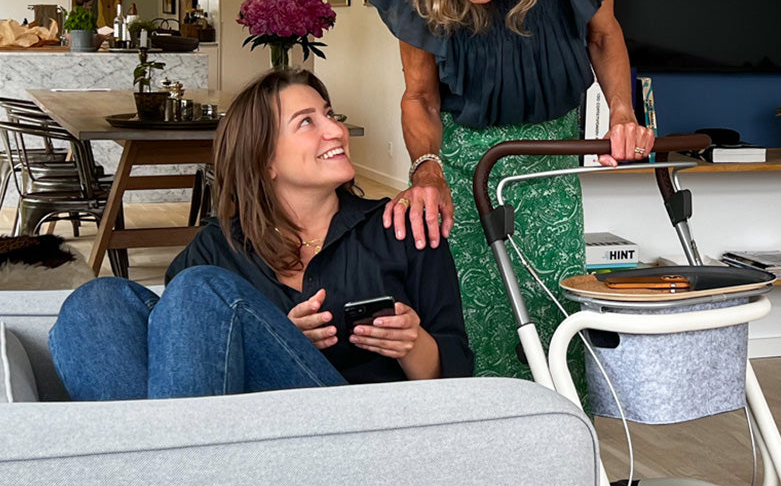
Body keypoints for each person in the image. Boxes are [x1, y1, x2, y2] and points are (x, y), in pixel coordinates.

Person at [370, 0, 654, 380]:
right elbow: (420, 96)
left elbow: (603, 35)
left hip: (551, 160)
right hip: (460, 164)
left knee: (553, 307)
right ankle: (474, 444)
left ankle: (559, 436)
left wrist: (621, 113)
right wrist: (427, 168)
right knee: (471, 314)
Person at [50, 68, 473, 400]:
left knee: (201, 290)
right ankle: (155, 480)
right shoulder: (219, 248)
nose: (335, 130)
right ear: (264, 159)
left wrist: (411, 341)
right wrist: (269, 336)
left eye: (330, 114)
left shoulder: (400, 226)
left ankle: (160, 482)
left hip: (349, 425)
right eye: (307, 122)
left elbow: (458, 375)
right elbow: (182, 364)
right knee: (96, 300)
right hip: (244, 425)